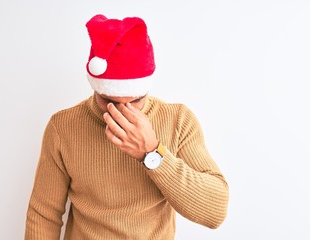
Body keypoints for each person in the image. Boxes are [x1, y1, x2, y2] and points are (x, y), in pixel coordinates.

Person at [25, 14, 229, 240]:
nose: (123, 112)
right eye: (110, 102)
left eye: (135, 101)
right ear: (96, 89)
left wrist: (152, 153)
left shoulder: (178, 120)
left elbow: (215, 212)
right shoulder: (63, 127)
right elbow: (44, 214)